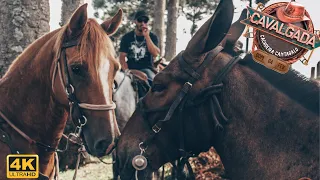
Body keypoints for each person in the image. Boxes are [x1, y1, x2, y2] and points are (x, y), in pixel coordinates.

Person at [119, 10, 160, 82]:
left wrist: (147, 36)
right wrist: (126, 70)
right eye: (140, 20)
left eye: (145, 21)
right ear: (135, 21)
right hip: (130, 68)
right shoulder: (127, 37)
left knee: (154, 85)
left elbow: (155, 53)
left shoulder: (152, 37)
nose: (142, 23)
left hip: (147, 69)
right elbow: (122, 57)